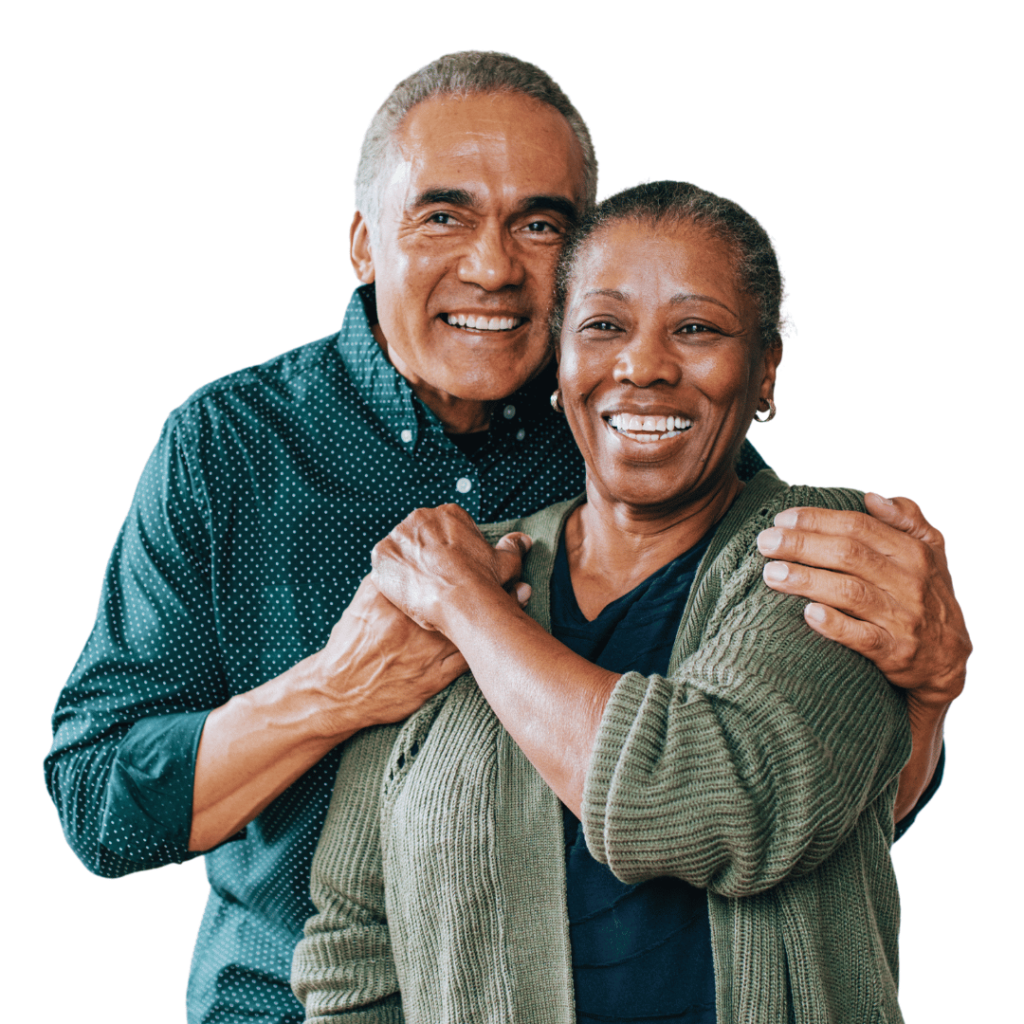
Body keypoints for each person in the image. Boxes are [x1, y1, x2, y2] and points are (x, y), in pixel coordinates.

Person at [45, 53, 968, 1024]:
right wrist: (333, 691)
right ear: (363, 243)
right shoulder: (229, 446)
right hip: (283, 997)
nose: (492, 267)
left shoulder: (640, 437)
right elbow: (101, 804)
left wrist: (929, 692)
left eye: (539, 225)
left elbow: (794, 808)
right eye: (443, 217)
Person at [295, 180, 917, 1023]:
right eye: (603, 327)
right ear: (559, 366)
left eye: (695, 329)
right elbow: (354, 939)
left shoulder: (828, 552)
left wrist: (469, 609)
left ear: (765, 368)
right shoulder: (452, 572)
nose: (643, 365)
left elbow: (715, 807)